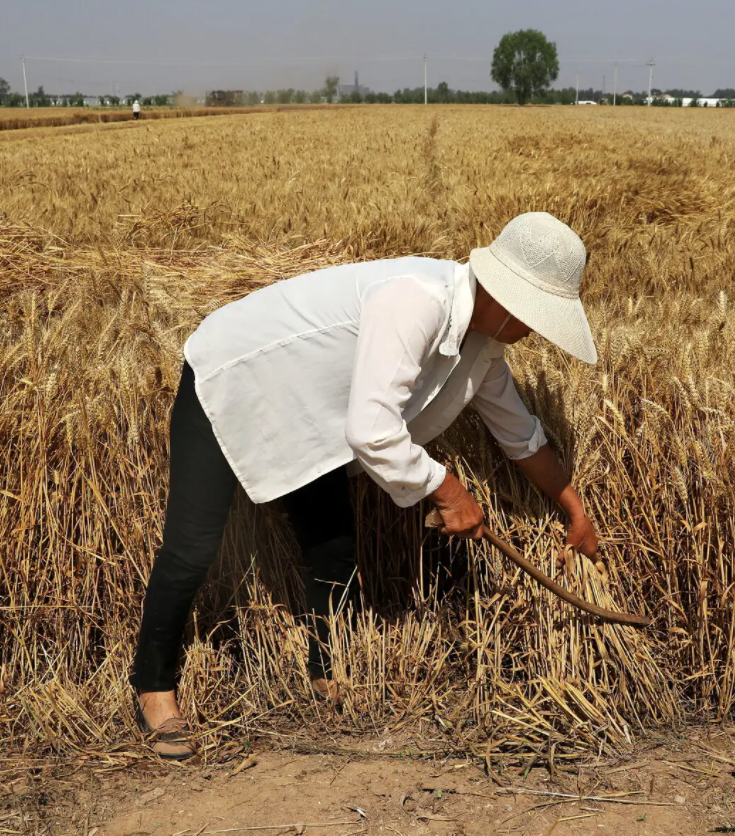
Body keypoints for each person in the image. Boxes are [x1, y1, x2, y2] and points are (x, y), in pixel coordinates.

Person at [131, 212, 601, 759]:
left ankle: (322, 672)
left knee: (333, 547)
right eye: (537, 317)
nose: (536, 332)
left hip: (312, 409)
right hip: (234, 376)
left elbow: (520, 436)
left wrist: (573, 508)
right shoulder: (416, 300)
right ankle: (154, 685)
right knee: (193, 545)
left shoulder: (483, 347)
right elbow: (372, 429)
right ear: (506, 296)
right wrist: (447, 490)